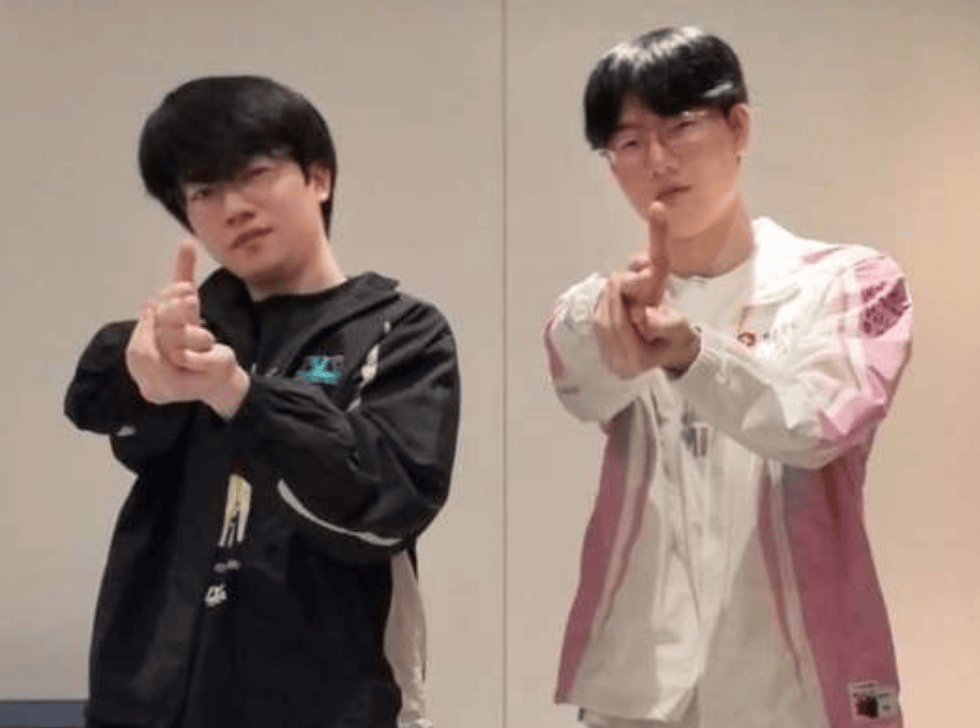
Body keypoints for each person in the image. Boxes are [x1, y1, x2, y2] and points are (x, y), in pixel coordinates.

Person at [64, 75, 461, 728]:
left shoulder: (399, 330)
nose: (233, 207)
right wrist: (140, 366)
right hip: (150, 702)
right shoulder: (185, 334)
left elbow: (386, 504)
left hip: (323, 701)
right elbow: (93, 401)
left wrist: (239, 396)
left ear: (319, 178)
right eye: (203, 192)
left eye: (255, 174)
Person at [544, 27, 911, 728]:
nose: (658, 159)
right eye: (629, 142)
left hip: (797, 688)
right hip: (639, 694)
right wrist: (613, 326)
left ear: (737, 126)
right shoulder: (609, 307)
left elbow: (815, 422)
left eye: (680, 126)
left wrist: (692, 353)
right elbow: (578, 376)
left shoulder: (850, 282)